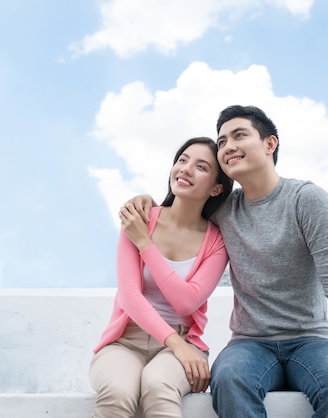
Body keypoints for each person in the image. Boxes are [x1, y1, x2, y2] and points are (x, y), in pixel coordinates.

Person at [124, 105, 328, 418]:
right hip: (249, 343)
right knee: (229, 380)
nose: (228, 146)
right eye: (222, 142)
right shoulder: (222, 210)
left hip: (311, 340)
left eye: (239, 135)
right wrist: (144, 201)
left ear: (270, 144)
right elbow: (179, 208)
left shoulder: (308, 201)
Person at [89, 137, 233, 418]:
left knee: (158, 387)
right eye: (182, 160)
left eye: (201, 166)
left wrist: (145, 244)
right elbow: (130, 297)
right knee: (117, 393)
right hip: (124, 340)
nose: (186, 169)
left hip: (183, 340)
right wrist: (177, 345)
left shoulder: (217, 242)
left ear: (216, 188)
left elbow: (186, 302)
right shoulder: (139, 218)